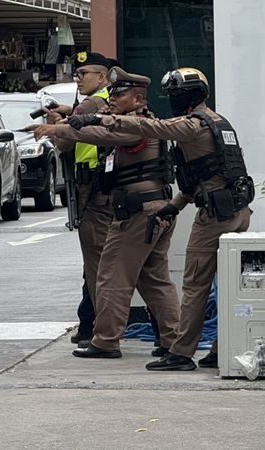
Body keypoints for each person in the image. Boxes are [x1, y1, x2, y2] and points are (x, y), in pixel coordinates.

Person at [67, 68, 255, 369]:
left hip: (215, 216)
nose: (172, 101)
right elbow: (204, 177)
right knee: (229, 286)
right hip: (238, 212)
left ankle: (180, 353)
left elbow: (152, 128)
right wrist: (175, 206)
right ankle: (220, 349)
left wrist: (97, 118)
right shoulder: (219, 122)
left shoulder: (192, 125)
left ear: (186, 97)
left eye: (175, 95)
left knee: (195, 285)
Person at [33, 67, 181, 358]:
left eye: (120, 93)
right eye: (111, 92)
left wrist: (58, 128)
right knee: (153, 278)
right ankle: (172, 338)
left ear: (139, 99)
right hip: (154, 208)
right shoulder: (140, 122)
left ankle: (106, 340)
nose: (112, 98)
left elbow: (97, 134)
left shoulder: (135, 124)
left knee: (111, 275)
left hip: (138, 212)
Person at [44, 52, 115, 347]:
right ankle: (91, 324)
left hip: (93, 190)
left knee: (96, 264)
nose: (78, 78)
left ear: (101, 77)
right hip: (104, 189)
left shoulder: (91, 103)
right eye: (77, 73)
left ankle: (102, 332)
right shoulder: (105, 98)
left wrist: (55, 125)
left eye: (84, 73)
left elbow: (64, 142)